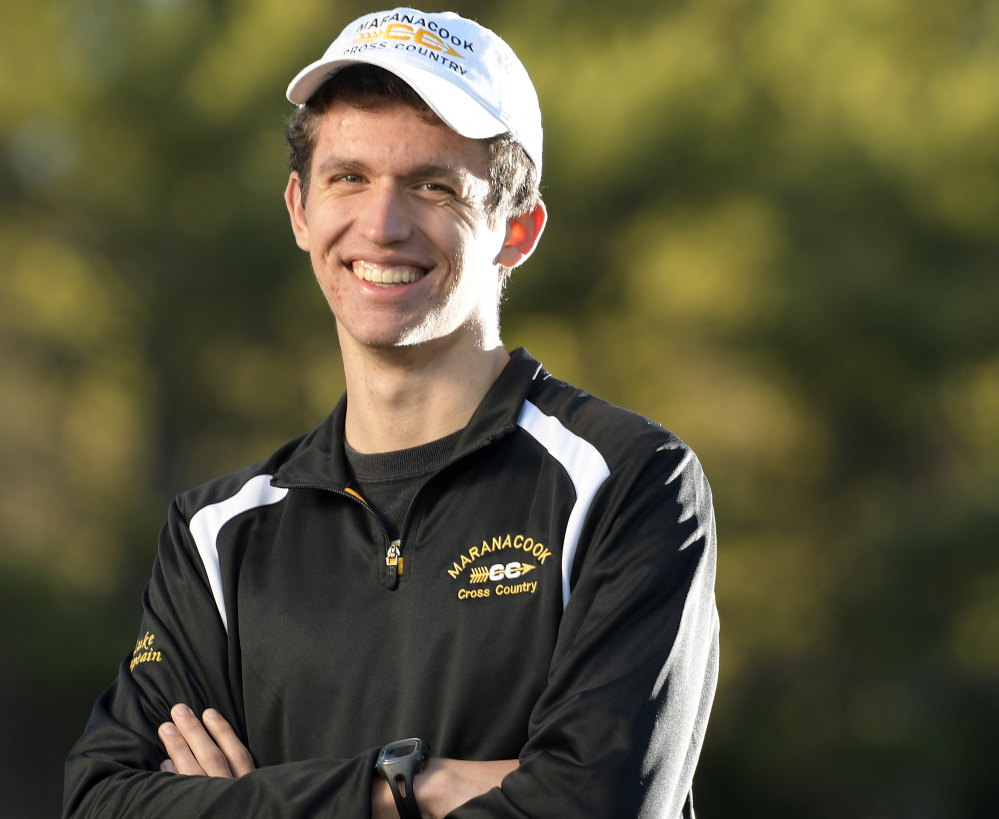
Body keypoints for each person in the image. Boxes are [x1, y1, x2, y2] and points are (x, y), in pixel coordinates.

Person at [63, 8, 719, 818]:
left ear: (517, 230)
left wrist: (253, 803)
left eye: (433, 186)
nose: (381, 224)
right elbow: (103, 801)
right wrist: (412, 785)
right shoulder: (215, 532)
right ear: (300, 209)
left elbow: (595, 805)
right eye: (350, 178)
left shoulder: (627, 481)